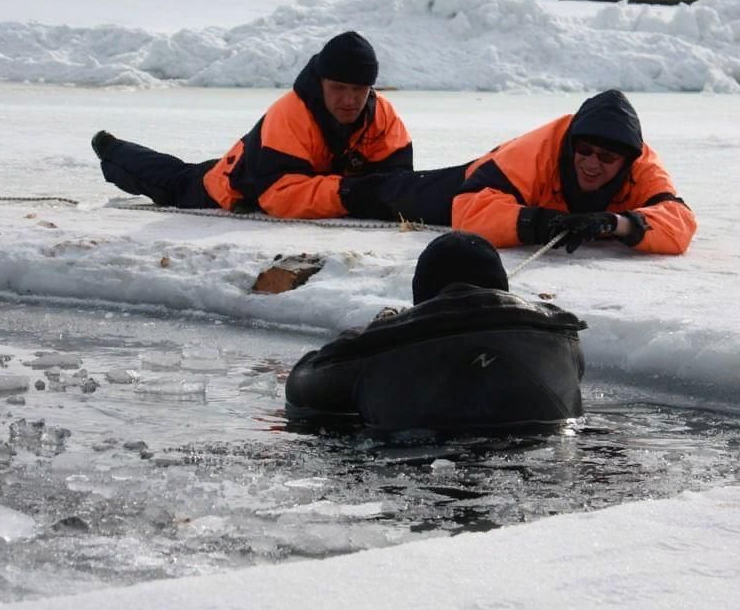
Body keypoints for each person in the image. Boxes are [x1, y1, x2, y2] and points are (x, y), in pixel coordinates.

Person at [91, 31, 414, 219]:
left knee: (179, 172)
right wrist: (354, 193)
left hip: (289, 175)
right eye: (338, 88)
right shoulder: (291, 113)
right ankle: (114, 151)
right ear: (321, 82)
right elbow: (277, 195)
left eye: (358, 90)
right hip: (228, 186)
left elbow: (397, 180)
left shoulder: (382, 115)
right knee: (169, 183)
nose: (349, 100)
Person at [284, 231, 586, 430]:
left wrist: (377, 327)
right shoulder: (561, 336)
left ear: (422, 295)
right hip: (546, 465)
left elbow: (301, 387)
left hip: (425, 470)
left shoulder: (387, 344)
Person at [452, 89, 696, 254]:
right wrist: (543, 224)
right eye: (584, 150)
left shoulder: (642, 166)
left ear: (627, 161)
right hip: (465, 182)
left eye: (607, 157)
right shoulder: (539, 151)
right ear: (571, 145)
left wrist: (615, 223)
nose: (591, 163)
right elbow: (468, 212)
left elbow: (679, 221)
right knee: (412, 193)